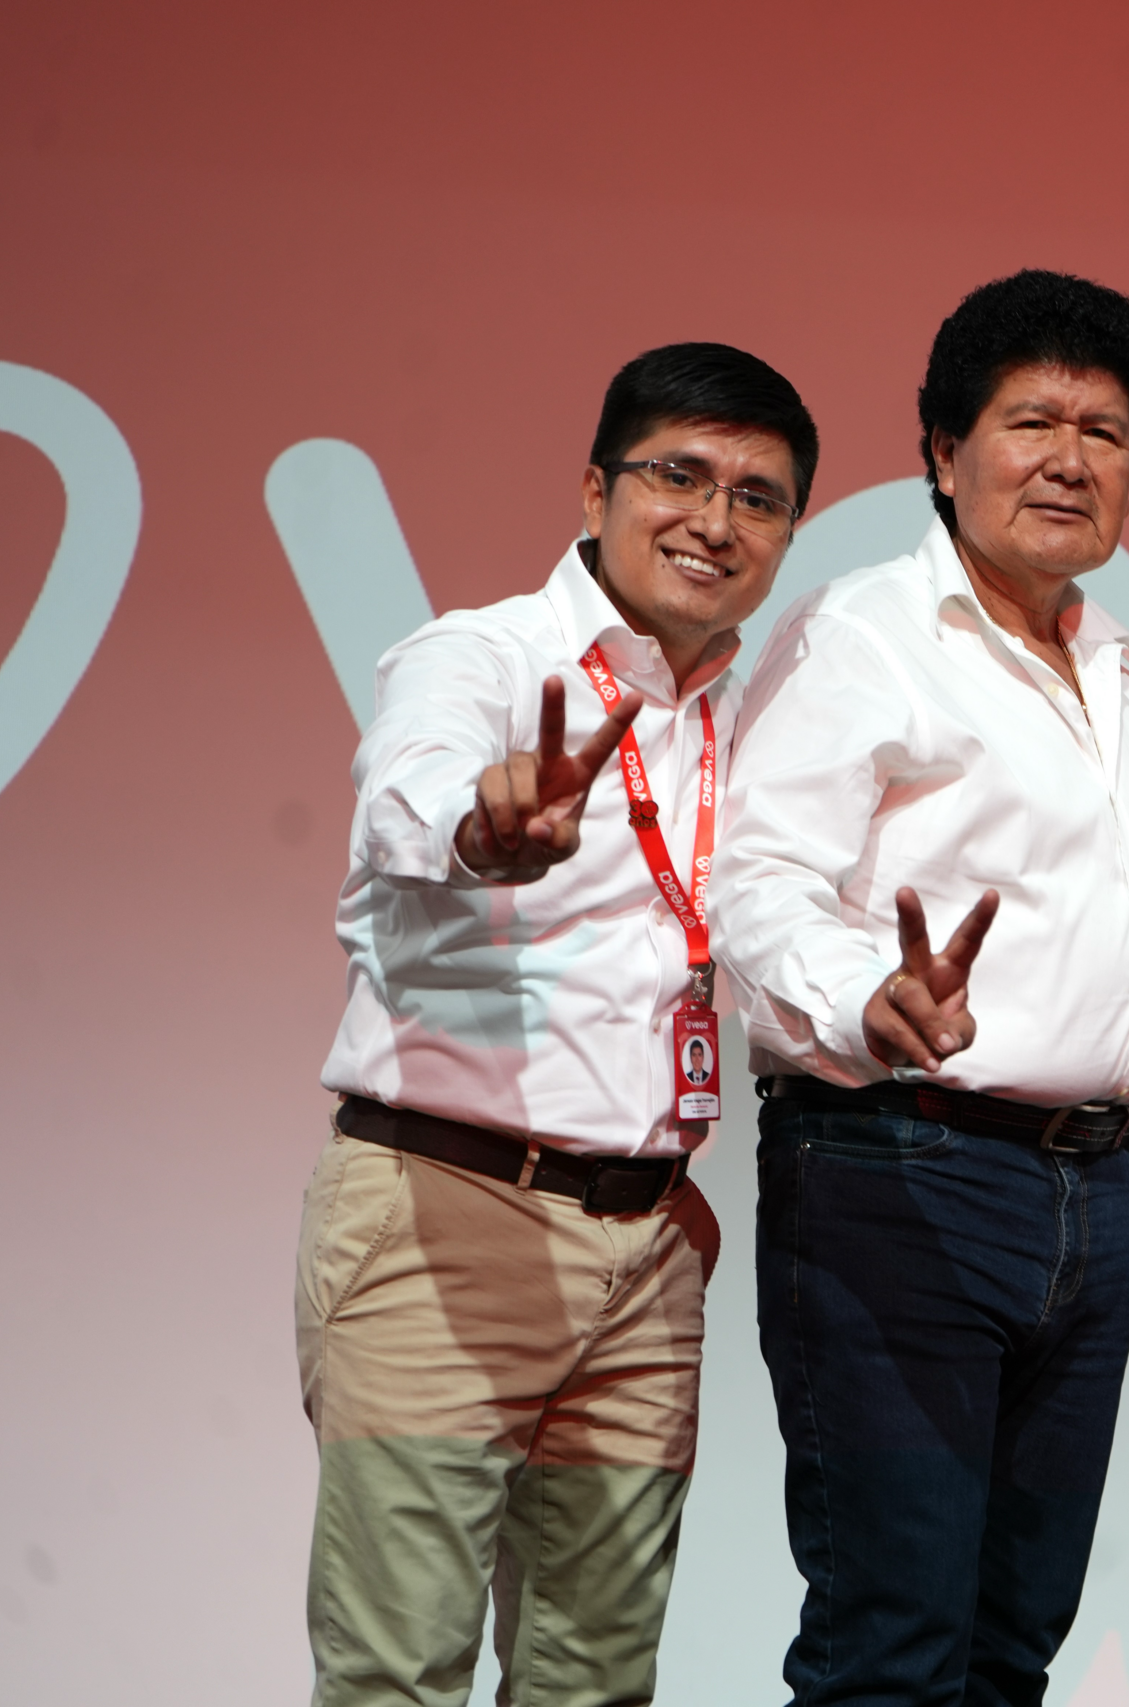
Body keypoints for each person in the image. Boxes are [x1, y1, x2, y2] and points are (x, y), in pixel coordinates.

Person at [297, 343, 817, 1705]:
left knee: (592, 1681)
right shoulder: (481, 654)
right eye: (679, 476)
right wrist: (488, 827)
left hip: (648, 1247)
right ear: (595, 490)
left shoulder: (752, 718)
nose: (715, 520)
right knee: (397, 1672)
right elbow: (406, 797)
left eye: (758, 497)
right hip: (447, 1212)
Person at [711, 270, 1129, 1707]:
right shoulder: (862, 633)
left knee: (1009, 1646)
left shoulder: (1119, 664)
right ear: (940, 450)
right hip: (902, 1167)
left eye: (1105, 433)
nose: (1069, 459)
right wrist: (867, 996)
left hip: (1097, 1194)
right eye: (1031, 421)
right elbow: (756, 880)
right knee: (892, 1641)